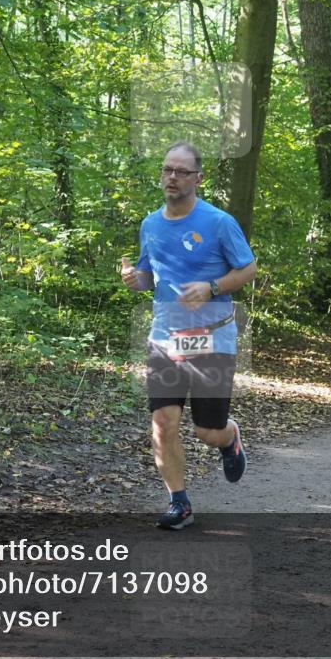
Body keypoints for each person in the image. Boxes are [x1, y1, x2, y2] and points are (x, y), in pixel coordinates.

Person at [120, 141, 257, 529]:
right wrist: (134, 279)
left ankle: (229, 437)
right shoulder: (150, 224)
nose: (172, 177)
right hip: (165, 338)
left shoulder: (218, 222)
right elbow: (150, 278)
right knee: (163, 422)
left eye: (182, 172)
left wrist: (212, 287)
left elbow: (248, 269)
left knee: (206, 430)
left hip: (213, 337)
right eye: (167, 169)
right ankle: (179, 503)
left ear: (199, 178)